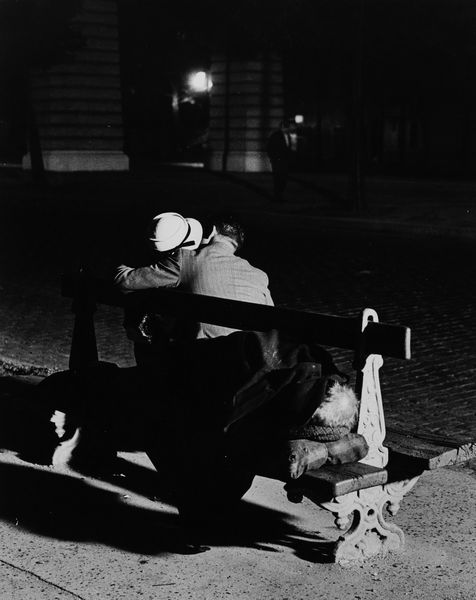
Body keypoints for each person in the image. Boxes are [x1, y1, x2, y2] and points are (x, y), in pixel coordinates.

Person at [115, 213, 273, 349]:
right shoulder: (259, 275)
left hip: (205, 356)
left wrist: (127, 258)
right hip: (248, 360)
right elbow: (270, 324)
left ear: (211, 231)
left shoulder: (186, 259)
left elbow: (125, 281)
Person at [266, 119, 297, 202]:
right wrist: (273, 159)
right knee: (278, 179)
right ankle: (277, 196)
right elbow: (269, 148)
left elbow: (292, 148)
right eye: (285, 127)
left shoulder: (290, 136)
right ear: (282, 127)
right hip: (277, 161)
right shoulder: (275, 135)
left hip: (285, 161)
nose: (287, 128)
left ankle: (279, 195)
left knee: (283, 179)